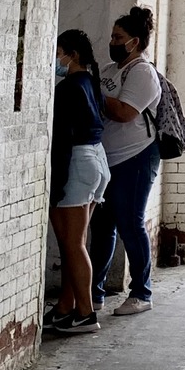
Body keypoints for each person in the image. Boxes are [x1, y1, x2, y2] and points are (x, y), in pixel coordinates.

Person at [87, 5, 163, 315]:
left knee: (131, 222)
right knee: (103, 226)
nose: (113, 41)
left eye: (119, 37)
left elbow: (123, 113)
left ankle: (141, 293)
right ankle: (94, 292)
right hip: (107, 157)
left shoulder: (142, 72)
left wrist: (91, 91)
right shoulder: (108, 70)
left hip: (136, 156)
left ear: (135, 41)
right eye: (112, 36)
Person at [45, 28, 110, 336]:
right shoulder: (90, 82)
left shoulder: (68, 87)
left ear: (71, 55)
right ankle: (65, 307)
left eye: (59, 52)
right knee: (75, 244)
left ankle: (85, 313)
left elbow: (62, 140)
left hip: (78, 162)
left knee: (72, 244)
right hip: (97, 161)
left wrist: (55, 183)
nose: (56, 59)